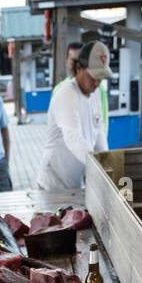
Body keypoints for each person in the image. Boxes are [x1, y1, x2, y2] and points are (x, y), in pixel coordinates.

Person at [38, 36, 110, 191]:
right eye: (93, 77)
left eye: (100, 78)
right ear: (79, 69)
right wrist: (99, 169)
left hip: (74, 183)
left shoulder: (95, 93)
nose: (97, 83)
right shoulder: (67, 94)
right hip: (53, 184)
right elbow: (73, 138)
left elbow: (99, 134)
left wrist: (107, 162)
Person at [59, 40, 109, 135]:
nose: (78, 64)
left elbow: (103, 117)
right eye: (73, 60)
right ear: (66, 62)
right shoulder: (60, 90)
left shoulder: (99, 88)